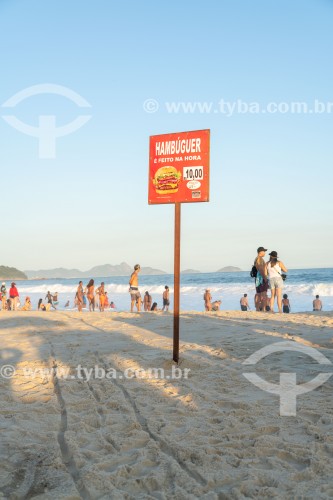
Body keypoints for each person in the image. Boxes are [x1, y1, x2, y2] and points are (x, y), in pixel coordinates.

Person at [254, 247, 269, 311]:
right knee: (264, 294)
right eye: (264, 251)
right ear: (260, 252)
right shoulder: (259, 259)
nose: (265, 253)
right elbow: (260, 268)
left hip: (257, 278)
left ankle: (257, 308)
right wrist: (265, 277)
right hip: (261, 278)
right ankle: (263, 308)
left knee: (258, 294)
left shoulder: (256, 259)